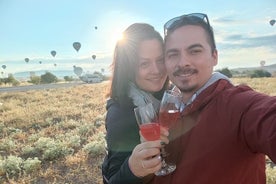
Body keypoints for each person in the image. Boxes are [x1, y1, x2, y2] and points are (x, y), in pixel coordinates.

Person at [151, 13, 276, 184]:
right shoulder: (168, 107)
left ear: (214, 56)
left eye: (195, 51)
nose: (183, 62)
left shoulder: (239, 105)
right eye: (173, 54)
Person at [101, 23, 170, 184]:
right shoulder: (121, 113)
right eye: (144, 64)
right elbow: (113, 180)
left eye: (160, 60)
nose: (157, 70)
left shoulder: (168, 98)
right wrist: (133, 169)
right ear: (128, 68)